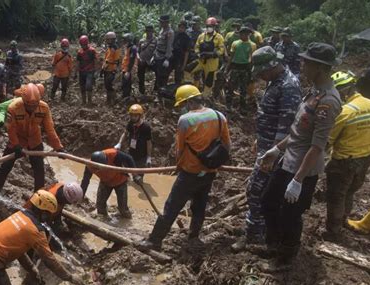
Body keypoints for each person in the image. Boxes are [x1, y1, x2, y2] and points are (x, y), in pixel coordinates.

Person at [259, 42, 342, 272]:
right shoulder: (314, 92)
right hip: (288, 160)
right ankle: (274, 245)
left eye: (306, 62)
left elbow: (317, 145)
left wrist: (297, 180)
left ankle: (285, 259)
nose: (301, 64)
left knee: (290, 215)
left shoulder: (328, 101)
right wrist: (278, 149)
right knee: (268, 202)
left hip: (302, 169)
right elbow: (298, 131)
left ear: (321, 67)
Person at [139, 85, 231, 251]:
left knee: (172, 206)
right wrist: (213, 162)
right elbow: (227, 144)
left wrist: (179, 166)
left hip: (190, 172)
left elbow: (179, 149)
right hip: (210, 171)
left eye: (183, 105)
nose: (182, 109)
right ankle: (194, 236)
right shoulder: (219, 116)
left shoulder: (185, 120)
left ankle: (154, 240)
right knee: (200, 205)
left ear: (189, 102)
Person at [231, 46, 301, 252]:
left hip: (274, 152)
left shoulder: (288, 86)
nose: (260, 76)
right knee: (260, 191)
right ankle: (258, 230)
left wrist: (272, 152)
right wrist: (260, 140)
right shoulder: (277, 82)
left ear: (272, 66)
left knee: (256, 190)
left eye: (261, 72)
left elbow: (287, 125)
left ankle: (255, 236)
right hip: (267, 145)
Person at [0, 190, 84, 285]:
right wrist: (70, 277)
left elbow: (17, 249)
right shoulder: (35, 231)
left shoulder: (20, 214)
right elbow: (49, 260)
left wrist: (31, 268)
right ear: (44, 213)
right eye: (49, 214)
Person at [0, 83, 64, 206]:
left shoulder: (44, 108)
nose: (32, 108)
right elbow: (11, 129)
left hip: (35, 140)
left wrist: (59, 148)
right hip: (17, 140)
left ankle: (38, 200)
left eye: (34, 105)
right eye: (29, 106)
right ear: (24, 101)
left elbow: (50, 130)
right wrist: (16, 145)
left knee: (39, 171)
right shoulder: (13, 107)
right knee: (4, 168)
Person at [323, 71, 370, 241]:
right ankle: (344, 220)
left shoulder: (345, 112)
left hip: (343, 162)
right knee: (350, 192)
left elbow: (326, 141)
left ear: (342, 91)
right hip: (365, 159)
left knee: (336, 197)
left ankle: (333, 232)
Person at [80, 149, 142, 219]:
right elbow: (85, 181)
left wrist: (135, 175)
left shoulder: (113, 154)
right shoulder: (90, 166)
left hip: (120, 181)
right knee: (100, 205)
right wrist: (80, 196)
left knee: (122, 208)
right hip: (105, 182)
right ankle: (104, 219)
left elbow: (129, 159)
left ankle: (127, 219)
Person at [115, 104, 152, 177]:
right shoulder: (130, 123)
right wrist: (119, 143)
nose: (133, 117)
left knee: (138, 178)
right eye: (131, 115)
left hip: (141, 156)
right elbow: (125, 133)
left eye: (135, 116)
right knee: (123, 173)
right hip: (131, 153)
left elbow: (149, 143)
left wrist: (149, 157)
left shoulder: (146, 127)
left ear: (140, 116)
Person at [190, 17, 225, 96]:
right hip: (201, 60)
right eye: (208, 26)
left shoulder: (219, 37)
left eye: (211, 26)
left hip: (212, 62)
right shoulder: (201, 36)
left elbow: (221, 49)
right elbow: (196, 46)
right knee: (188, 70)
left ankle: (206, 96)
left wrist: (213, 54)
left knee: (209, 80)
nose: (209, 28)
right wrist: (198, 54)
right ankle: (194, 91)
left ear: (214, 27)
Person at [225, 26, 257, 112]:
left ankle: (242, 106)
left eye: (246, 34)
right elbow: (231, 57)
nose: (243, 36)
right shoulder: (235, 43)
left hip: (245, 68)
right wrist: (227, 69)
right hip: (235, 67)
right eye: (242, 34)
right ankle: (228, 105)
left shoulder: (252, 45)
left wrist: (252, 71)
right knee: (231, 87)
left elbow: (252, 59)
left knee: (243, 88)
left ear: (248, 35)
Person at [153, 15, 174, 91]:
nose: (160, 23)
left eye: (162, 22)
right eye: (160, 22)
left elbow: (169, 46)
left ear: (166, 22)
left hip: (164, 57)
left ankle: (162, 91)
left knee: (163, 76)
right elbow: (158, 43)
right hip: (158, 55)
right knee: (158, 74)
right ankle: (158, 90)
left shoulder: (169, 32)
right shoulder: (162, 30)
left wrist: (167, 59)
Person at [76, 35, 98, 105]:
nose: (83, 46)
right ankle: (83, 101)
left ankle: (89, 101)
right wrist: (75, 72)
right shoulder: (80, 52)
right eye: (82, 45)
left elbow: (96, 60)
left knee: (88, 85)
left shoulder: (92, 51)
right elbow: (78, 62)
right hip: (81, 71)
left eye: (84, 44)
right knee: (82, 86)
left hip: (90, 70)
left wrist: (96, 70)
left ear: (87, 43)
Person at [137, 26, 157, 95]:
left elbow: (156, 51)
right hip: (142, 61)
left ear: (152, 32)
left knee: (158, 74)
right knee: (140, 76)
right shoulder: (141, 40)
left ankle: (155, 90)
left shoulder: (155, 40)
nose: (149, 33)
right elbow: (138, 51)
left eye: (150, 31)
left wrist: (153, 58)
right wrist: (139, 58)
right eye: (147, 31)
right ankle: (141, 91)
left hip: (151, 61)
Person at [101, 31, 120, 104]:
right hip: (107, 68)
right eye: (107, 39)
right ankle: (108, 100)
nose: (108, 41)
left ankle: (113, 100)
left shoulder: (115, 48)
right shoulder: (109, 48)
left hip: (111, 69)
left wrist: (114, 70)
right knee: (107, 85)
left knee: (110, 85)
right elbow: (106, 59)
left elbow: (116, 60)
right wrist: (103, 68)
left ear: (113, 39)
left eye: (109, 39)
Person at [171, 21, 191, 85]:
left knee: (179, 75)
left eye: (183, 27)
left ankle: (179, 89)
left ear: (185, 28)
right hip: (173, 57)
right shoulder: (175, 34)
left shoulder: (187, 38)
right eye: (180, 27)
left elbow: (187, 52)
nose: (181, 29)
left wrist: (184, 64)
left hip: (181, 59)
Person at [121, 33, 138, 99]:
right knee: (124, 84)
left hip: (129, 69)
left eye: (125, 40)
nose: (123, 41)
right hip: (125, 68)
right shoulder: (128, 47)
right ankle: (125, 97)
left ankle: (127, 98)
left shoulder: (133, 48)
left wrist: (128, 71)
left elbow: (132, 60)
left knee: (126, 85)